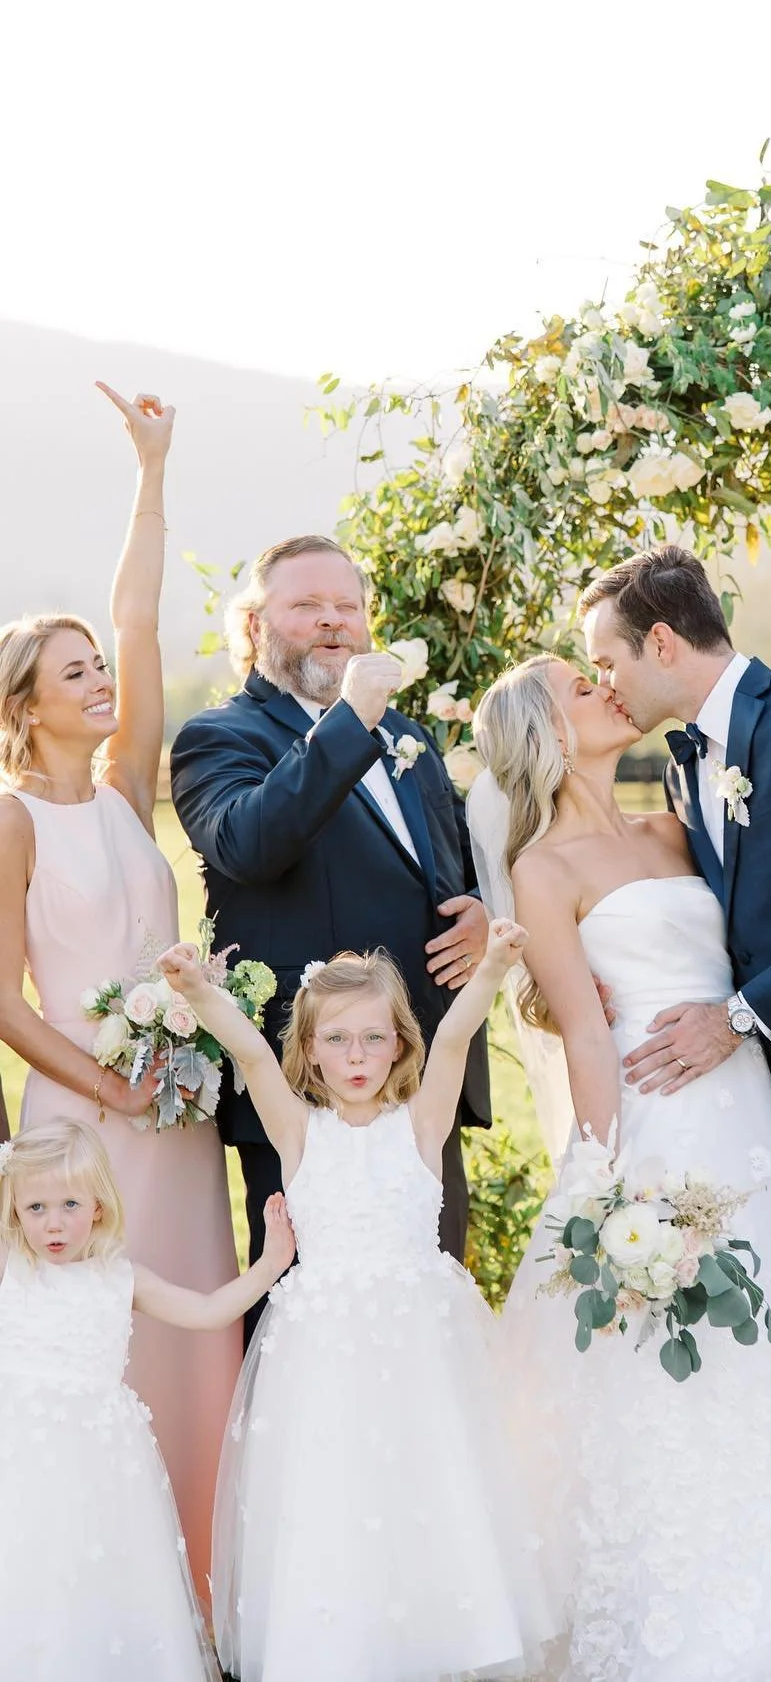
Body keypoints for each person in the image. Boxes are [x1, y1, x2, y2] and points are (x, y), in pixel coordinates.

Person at [475, 653, 771, 1682]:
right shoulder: (543, 869)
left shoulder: (675, 825)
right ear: (547, 734)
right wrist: (607, 1185)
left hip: (748, 1117)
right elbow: (585, 1035)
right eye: (578, 685)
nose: (604, 687)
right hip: (654, 1125)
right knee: (668, 1364)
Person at [159, 926, 556, 1682]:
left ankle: (442, 1641)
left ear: (399, 1044)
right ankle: (341, 1648)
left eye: (374, 1038)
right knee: (335, 1492)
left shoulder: (422, 1125)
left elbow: (456, 1037)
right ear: (310, 1051)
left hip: (420, 1354)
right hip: (327, 1358)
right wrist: (199, 992)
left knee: (431, 1483)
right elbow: (250, 1053)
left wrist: (496, 966)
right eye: (337, 1040)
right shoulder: (298, 1132)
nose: (357, 1057)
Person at [0, 385, 242, 1603]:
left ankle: (202, 1588)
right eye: (73, 672)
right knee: (100, 1341)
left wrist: (153, 470)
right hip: (84, 1128)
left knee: (195, 1328)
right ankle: (103, 1599)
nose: (100, 678)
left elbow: (139, 616)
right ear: (22, 705)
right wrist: (112, 1084)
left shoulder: (124, 786)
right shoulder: (11, 820)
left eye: (98, 667)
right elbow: (4, 1002)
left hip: (177, 1116)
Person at [168, 534, 490, 1322]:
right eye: (307, 605)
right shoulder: (219, 737)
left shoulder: (408, 736)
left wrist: (479, 911)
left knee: (429, 1312)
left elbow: (448, 860)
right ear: (255, 625)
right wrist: (349, 720)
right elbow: (249, 842)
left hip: (418, 1079)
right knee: (305, 1320)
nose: (333, 621)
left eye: (347, 605)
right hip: (301, 1085)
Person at [0, 1118, 293, 1682]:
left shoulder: (122, 1279)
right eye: (35, 1208)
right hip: (18, 1450)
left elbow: (207, 1312)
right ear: (16, 1210)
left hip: (98, 1461)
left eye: (69, 1204)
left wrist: (270, 1265)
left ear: (98, 1206)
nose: (53, 1223)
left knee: (88, 1566)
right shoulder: (13, 1271)